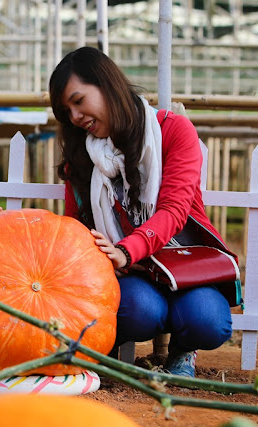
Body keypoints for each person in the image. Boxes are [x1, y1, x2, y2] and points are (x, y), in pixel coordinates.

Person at [48, 46, 232, 377]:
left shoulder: (173, 131)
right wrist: (99, 260)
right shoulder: (80, 153)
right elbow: (75, 223)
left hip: (182, 258)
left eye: (78, 101)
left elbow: (175, 211)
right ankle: (108, 349)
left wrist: (125, 249)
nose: (75, 116)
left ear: (106, 85)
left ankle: (181, 349)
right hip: (127, 274)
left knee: (209, 321)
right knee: (137, 310)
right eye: (67, 110)